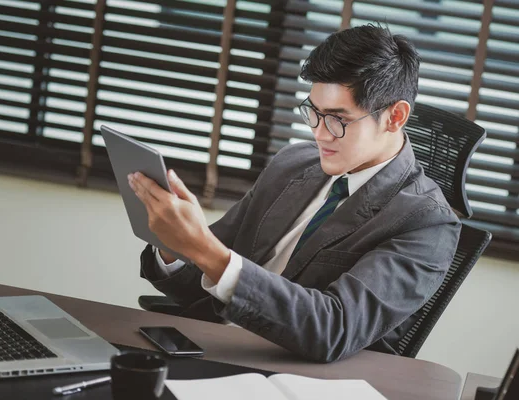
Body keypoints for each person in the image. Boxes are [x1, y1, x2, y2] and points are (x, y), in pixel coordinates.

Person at [128, 24, 461, 363]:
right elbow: (198, 284)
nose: (319, 134)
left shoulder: (427, 224)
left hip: (296, 374)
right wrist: (173, 247)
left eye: (336, 119)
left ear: (395, 117)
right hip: (208, 346)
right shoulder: (292, 164)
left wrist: (205, 250)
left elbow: (333, 329)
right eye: (313, 113)